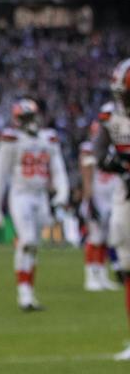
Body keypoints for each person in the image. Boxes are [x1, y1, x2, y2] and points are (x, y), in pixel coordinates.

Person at [0, 99, 69, 311]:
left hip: (41, 196)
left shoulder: (48, 138)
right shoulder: (11, 139)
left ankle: (28, 293)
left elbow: (58, 168)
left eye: (31, 117)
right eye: (25, 118)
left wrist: (62, 192)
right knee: (27, 240)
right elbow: (0, 175)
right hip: (21, 195)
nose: (30, 122)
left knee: (33, 246)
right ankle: (24, 295)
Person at [93, 60, 130, 359]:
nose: (122, 100)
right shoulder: (110, 115)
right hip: (124, 192)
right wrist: (114, 164)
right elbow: (98, 152)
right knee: (126, 264)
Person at [78, 104, 118, 292]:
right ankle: (90, 275)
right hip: (96, 197)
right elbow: (87, 175)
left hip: (110, 197)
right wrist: (89, 199)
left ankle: (101, 274)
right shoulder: (90, 147)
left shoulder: (117, 145)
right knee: (94, 237)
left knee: (104, 238)